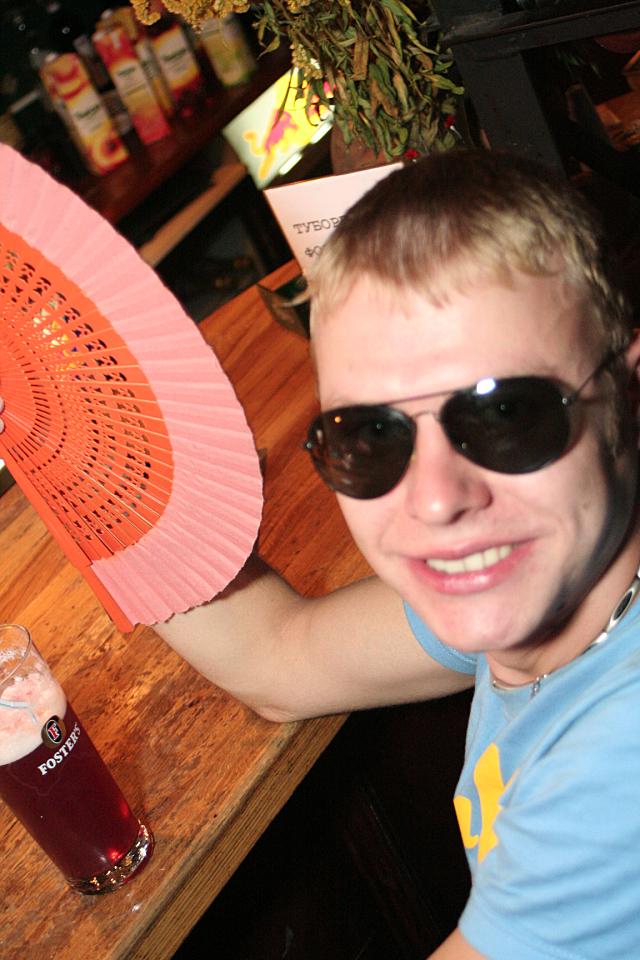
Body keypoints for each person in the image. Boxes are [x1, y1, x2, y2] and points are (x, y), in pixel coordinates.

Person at [7, 148, 640, 958]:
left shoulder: (615, 767)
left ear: (628, 396)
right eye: (370, 436)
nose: (435, 498)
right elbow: (277, 658)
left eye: (507, 415)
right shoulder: (559, 595)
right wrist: (46, 433)